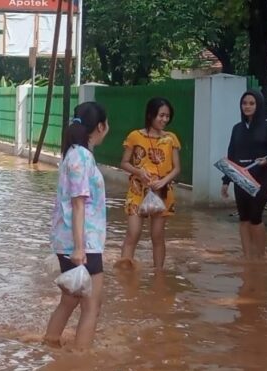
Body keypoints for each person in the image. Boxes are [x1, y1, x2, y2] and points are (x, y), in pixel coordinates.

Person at [43, 102, 109, 350]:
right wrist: (80, 249)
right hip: (82, 243)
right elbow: (78, 203)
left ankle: (50, 345)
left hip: (69, 240)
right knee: (92, 306)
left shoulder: (72, 153)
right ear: (100, 126)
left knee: (69, 301)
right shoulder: (81, 156)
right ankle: (81, 361)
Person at [117, 97, 181, 270]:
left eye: (167, 116)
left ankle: (158, 276)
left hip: (162, 193)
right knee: (133, 233)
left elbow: (176, 168)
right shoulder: (135, 136)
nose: (164, 120)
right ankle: (124, 273)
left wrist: (163, 182)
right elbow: (124, 162)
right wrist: (139, 172)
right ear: (150, 115)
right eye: (161, 115)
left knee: (158, 236)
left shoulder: (171, 139)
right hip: (137, 192)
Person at [221, 90, 267, 260]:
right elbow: (231, 156)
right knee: (244, 218)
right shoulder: (237, 128)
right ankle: (248, 256)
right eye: (244, 103)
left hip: (262, 178)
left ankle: (261, 255)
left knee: (255, 217)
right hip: (241, 179)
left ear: (258, 105)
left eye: (251, 103)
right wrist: (226, 181)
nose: (247, 106)